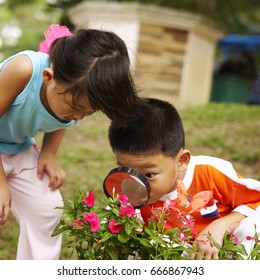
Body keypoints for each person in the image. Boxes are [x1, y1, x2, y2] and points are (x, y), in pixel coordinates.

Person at [0, 24, 142, 260]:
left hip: (17, 148)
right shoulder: (23, 69)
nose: (77, 118)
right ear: (48, 78)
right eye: (75, 108)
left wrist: (48, 154)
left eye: (87, 113)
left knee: (46, 208)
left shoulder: (71, 97)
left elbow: (58, 119)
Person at [108, 97, 260, 260]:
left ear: (182, 161)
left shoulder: (210, 172)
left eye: (149, 175)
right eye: (127, 170)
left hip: (222, 251)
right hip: (179, 257)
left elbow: (256, 201)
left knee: (249, 228)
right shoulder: (125, 189)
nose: (137, 184)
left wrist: (221, 226)